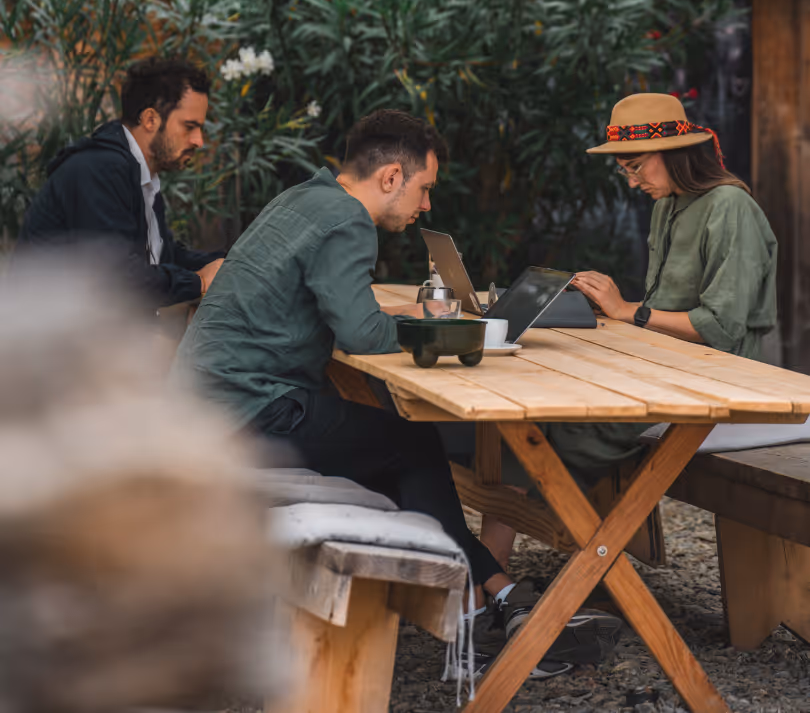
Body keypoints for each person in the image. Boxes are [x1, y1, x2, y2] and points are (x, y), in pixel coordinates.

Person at [173, 108, 622, 679]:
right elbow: (363, 335)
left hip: (207, 407)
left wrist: (407, 311)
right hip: (249, 411)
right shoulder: (347, 222)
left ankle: (494, 598)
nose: (426, 206)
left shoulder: (304, 199)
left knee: (396, 454)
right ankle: (477, 626)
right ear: (390, 177)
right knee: (409, 448)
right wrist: (459, 332)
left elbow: (338, 307)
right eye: (424, 189)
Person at [474, 92, 778, 577]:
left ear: (676, 153)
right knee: (532, 411)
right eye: (625, 171)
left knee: (565, 423)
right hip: (663, 365)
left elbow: (721, 327)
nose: (633, 181)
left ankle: (541, 551)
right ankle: (492, 574)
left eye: (637, 167)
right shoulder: (668, 205)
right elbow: (659, 308)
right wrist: (611, 309)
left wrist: (626, 311)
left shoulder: (730, 207)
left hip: (719, 378)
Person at [17, 56, 224, 308]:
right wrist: (197, 283)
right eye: (189, 126)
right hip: (47, 340)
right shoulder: (98, 169)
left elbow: (163, 257)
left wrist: (232, 264)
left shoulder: (137, 173)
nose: (199, 141)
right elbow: (115, 279)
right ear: (150, 120)